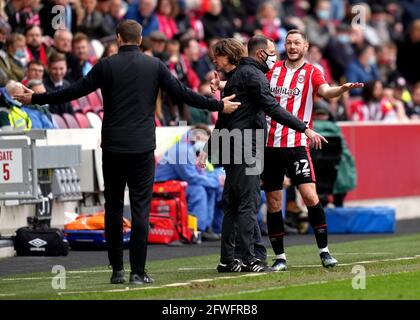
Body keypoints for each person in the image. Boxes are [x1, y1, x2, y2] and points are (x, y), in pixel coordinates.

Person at [14, 19, 240, 285]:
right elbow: (183, 94)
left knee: (113, 208)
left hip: (112, 146)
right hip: (142, 147)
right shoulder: (155, 65)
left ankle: (117, 270)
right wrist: (217, 106)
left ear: (119, 38)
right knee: (140, 210)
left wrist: (36, 98)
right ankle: (138, 272)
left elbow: (72, 92)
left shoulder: (107, 65)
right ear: (140, 39)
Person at [199, 36, 327, 273]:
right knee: (247, 204)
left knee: (232, 205)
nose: (276, 56)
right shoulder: (254, 75)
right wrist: (304, 127)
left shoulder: (239, 75)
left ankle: (228, 259)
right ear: (261, 54)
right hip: (245, 144)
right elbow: (273, 107)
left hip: (231, 144)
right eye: (272, 52)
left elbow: (226, 114)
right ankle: (250, 259)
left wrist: (208, 148)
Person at [259, 29, 363, 271]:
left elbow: (326, 91)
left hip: (297, 145)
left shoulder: (313, 72)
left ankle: (324, 252)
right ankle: (280, 257)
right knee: (274, 202)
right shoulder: (271, 69)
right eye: (289, 42)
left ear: (305, 46)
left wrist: (341, 89)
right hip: (270, 146)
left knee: (310, 197)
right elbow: (248, 85)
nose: (293, 46)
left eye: (297, 42)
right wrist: (221, 84)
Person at [155, 124, 223, 241]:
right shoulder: (183, 150)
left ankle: (207, 227)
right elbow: (191, 178)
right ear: (197, 137)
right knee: (199, 190)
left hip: (177, 183)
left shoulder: (188, 148)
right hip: (162, 185)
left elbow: (198, 175)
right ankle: (197, 230)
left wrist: (215, 181)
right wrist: (217, 182)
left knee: (209, 187)